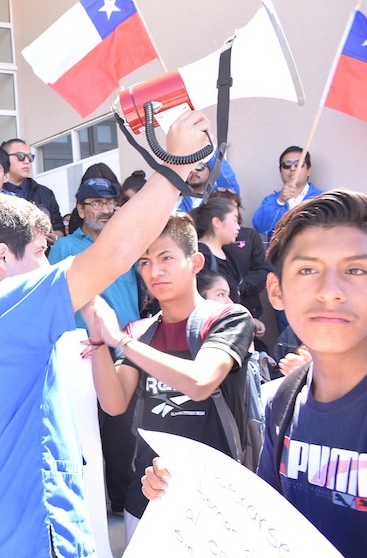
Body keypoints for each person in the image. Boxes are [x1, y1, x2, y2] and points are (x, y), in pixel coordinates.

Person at [0, 108, 212, 558]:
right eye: (42, 253)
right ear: (3, 258)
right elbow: (114, 253)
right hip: (34, 544)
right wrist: (177, 164)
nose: (49, 266)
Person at [143, 189, 367, 558]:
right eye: (308, 270)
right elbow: (264, 523)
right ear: (276, 292)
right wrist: (187, 491)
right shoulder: (285, 398)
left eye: (355, 269)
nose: (330, 292)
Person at [81, 214, 254, 543]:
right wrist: (99, 336)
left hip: (216, 500)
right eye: (145, 262)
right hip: (148, 496)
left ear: (196, 261)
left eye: (166, 258)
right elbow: (114, 403)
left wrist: (121, 341)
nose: (154, 271)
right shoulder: (140, 332)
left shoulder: (228, 318)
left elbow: (201, 382)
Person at [49, 176, 140, 517]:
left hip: (122, 349)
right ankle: (89, 506)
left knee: (121, 432)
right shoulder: (63, 249)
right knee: (86, 429)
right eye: (97, 204)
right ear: (81, 208)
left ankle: (120, 502)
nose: (105, 210)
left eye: (109, 203)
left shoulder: (126, 244)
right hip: (80, 350)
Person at [209, 187, 270, 319]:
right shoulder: (205, 247)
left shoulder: (249, 236)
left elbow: (262, 270)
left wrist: (242, 285)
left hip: (249, 308)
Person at [1, 138, 65, 243]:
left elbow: (59, 228)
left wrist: (55, 237)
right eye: (20, 156)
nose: (27, 161)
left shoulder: (45, 193)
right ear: (4, 159)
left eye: (30, 157)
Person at [252, 146, 323, 239]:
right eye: (287, 165)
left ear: (308, 170)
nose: (293, 168)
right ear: (280, 171)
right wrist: (280, 202)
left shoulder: (321, 199)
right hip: (280, 253)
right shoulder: (272, 200)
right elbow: (261, 228)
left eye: (298, 164)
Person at [192, 197, 244, 303]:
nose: (238, 227)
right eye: (234, 220)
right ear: (217, 222)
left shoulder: (228, 254)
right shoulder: (200, 256)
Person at [174, 155, 240, 214]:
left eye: (199, 166)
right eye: (190, 168)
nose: (193, 171)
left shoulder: (222, 194)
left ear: (211, 170)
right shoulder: (179, 201)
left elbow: (228, 178)